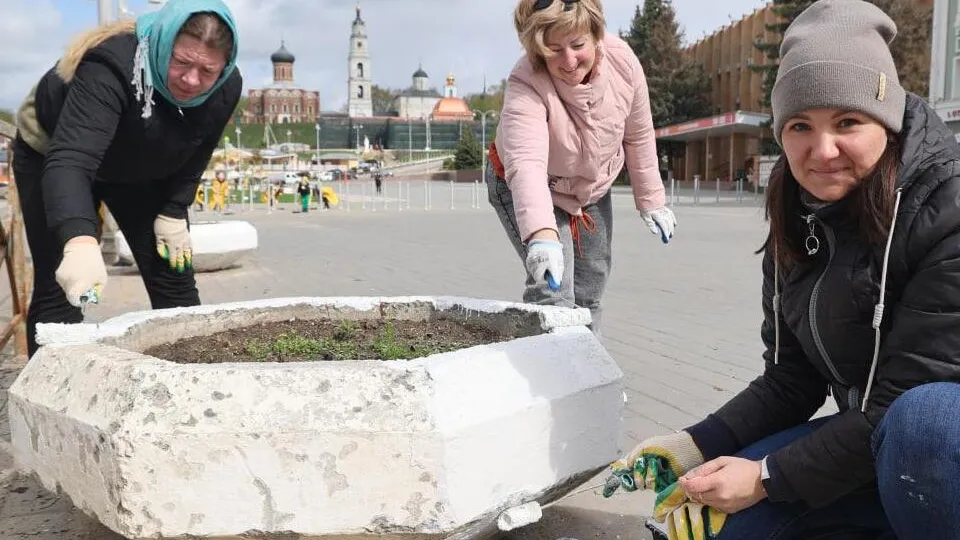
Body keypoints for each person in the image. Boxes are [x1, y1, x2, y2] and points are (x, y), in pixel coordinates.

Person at [606, 1, 960, 539]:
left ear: (885, 123)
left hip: (935, 451)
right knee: (709, 520)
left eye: (848, 122)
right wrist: (694, 444)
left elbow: (901, 403)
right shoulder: (800, 216)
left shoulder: (947, 208)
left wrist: (767, 476)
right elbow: (793, 381)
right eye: (800, 125)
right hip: (873, 445)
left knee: (923, 423)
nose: (823, 151)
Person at [12, 0, 241, 356]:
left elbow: (196, 151)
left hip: (135, 168)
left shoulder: (226, 88)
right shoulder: (111, 65)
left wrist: (173, 210)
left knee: (173, 276)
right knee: (66, 285)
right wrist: (79, 240)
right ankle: (55, 389)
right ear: (163, 46)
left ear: (223, 69)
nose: (192, 80)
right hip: (55, 153)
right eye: (180, 62)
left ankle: (192, 380)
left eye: (207, 71)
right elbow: (72, 160)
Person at [487, 0, 676, 332]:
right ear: (537, 50)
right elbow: (527, 164)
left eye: (577, 45)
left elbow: (638, 134)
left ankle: (589, 370)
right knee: (554, 289)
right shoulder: (526, 82)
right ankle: (547, 375)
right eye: (555, 49)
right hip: (534, 187)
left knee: (591, 284)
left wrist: (652, 199)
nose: (569, 60)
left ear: (596, 35)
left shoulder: (624, 64)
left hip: (592, 186)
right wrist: (542, 236)